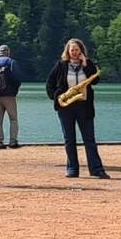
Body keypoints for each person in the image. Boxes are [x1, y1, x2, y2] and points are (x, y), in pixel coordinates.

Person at [45, 38, 109, 179]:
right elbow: (49, 83)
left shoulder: (88, 64)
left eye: (77, 50)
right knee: (69, 139)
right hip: (66, 106)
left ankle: (96, 169)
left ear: (81, 51)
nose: (74, 52)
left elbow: (96, 81)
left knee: (89, 139)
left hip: (84, 106)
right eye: (72, 50)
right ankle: (72, 169)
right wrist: (56, 96)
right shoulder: (61, 65)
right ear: (68, 51)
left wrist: (86, 64)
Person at [0, 44, 24, 148]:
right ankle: (13, 142)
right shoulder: (11, 62)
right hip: (9, 96)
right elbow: (17, 78)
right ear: (8, 52)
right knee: (13, 119)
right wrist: (14, 90)